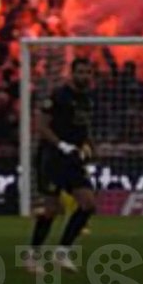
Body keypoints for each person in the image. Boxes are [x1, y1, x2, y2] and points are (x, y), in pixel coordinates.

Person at [25, 57, 96, 273]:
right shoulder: (58, 96)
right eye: (80, 72)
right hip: (51, 158)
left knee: (88, 204)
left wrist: (89, 147)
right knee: (51, 209)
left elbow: (83, 129)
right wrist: (61, 145)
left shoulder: (87, 100)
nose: (84, 76)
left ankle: (62, 253)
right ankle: (32, 254)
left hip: (73, 158)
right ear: (72, 73)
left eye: (88, 72)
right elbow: (42, 126)